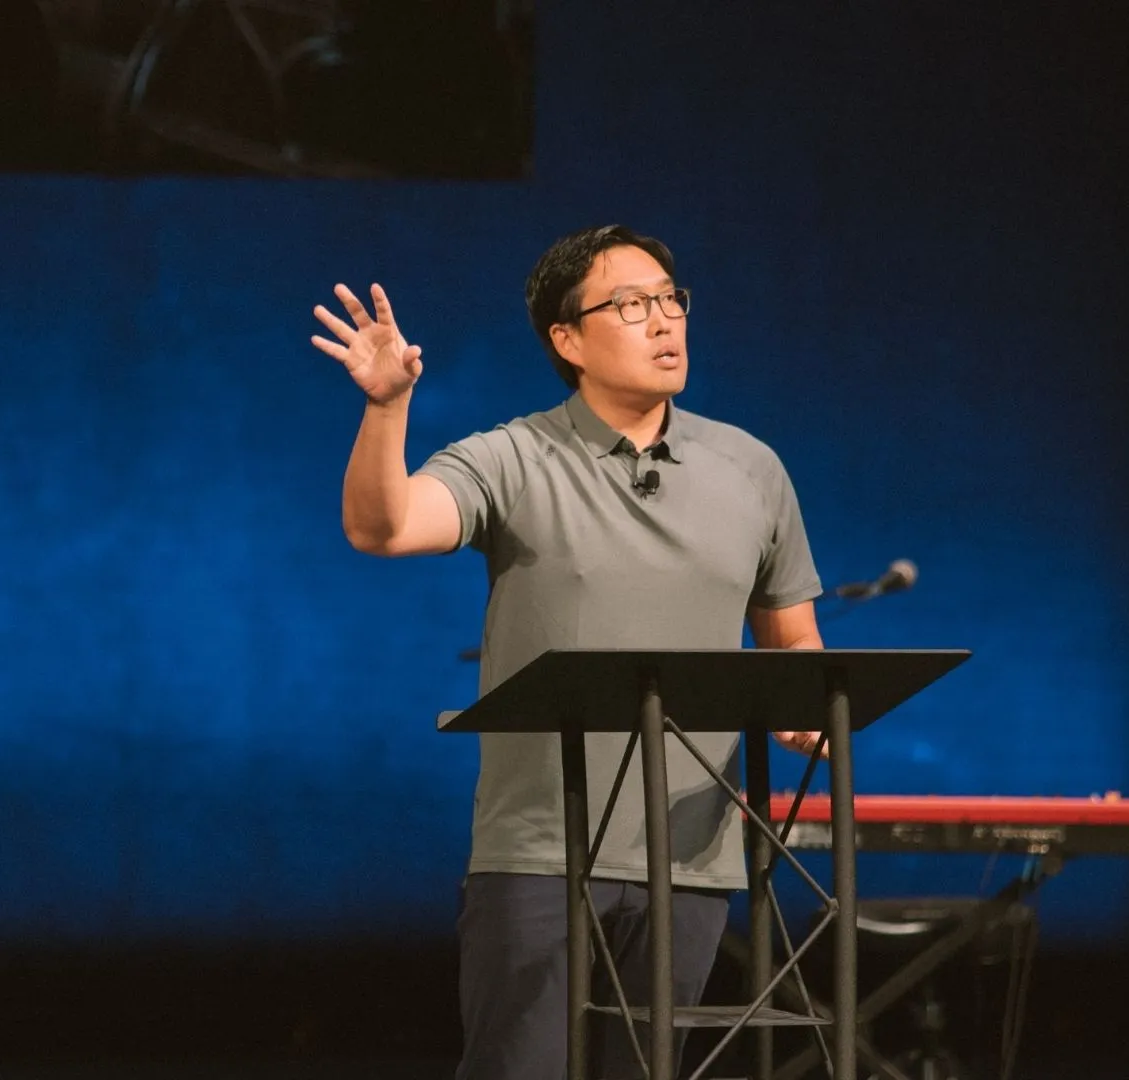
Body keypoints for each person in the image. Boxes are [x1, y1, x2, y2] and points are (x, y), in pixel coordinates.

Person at [310, 224, 826, 1080]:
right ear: (567, 338)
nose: (663, 320)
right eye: (630, 305)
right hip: (542, 855)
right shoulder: (514, 457)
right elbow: (382, 526)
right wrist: (387, 407)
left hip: (690, 857)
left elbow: (794, 641)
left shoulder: (751, 468)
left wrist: (803, 710)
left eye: (670, 299)